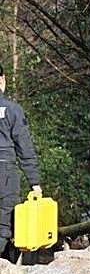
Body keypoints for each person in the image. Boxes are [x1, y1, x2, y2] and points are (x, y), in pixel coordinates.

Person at [0, 66, 42, 261]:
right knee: (5, 225)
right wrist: (35, 182)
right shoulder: (12, 110)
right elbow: (24, 147)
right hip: (5, 172)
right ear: (2, 80)